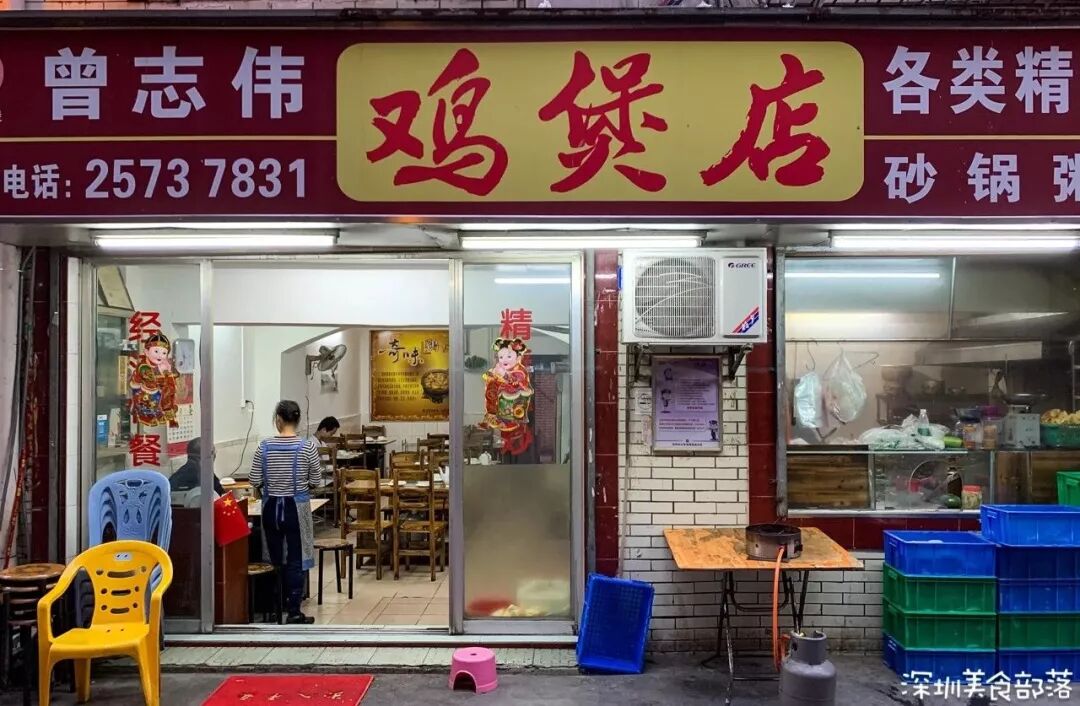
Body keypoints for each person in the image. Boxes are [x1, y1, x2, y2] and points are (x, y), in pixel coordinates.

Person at [250, 400, 322, 625]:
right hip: (297, 509)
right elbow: (316, 480)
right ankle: (293, 611)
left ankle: (273, 608)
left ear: (278, 419)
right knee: (296, 559)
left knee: (273, 559)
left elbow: (254, 479)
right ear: (297, 420)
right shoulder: (307, 447)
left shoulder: (264, 447)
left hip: (271, 508)